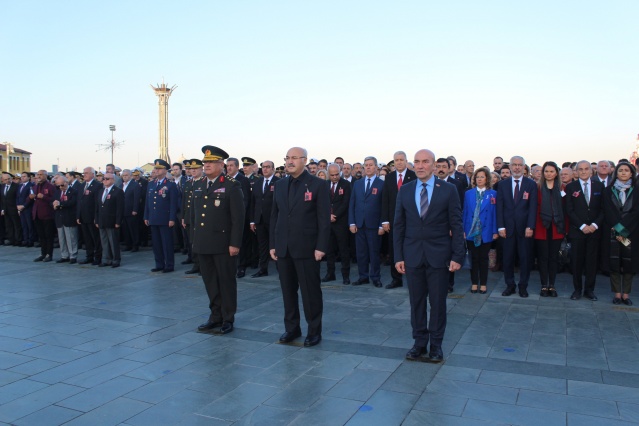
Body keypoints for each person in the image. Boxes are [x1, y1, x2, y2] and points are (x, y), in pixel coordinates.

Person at [394, 149, 464, 362]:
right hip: (412, 256)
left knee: (437, 303)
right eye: (417, 162)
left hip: (439, 256)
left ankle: (436, 345)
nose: (421, 165)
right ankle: (419, 343)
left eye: (425, 162)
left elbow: (456, 224)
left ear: (435, 165)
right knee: (416, 303)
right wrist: (398, 256)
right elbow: (399, 225)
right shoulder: (405, 190)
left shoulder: (449, 190)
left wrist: (458, 255)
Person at [270, 147, 330, 347]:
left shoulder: (318, 185)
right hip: (284, 248)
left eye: (294, 158)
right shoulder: (279, 185)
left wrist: (321, 246)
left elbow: (323, 220)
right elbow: (275, 217)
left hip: (307, 248)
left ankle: (314, 330)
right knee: (288, 292)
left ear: (304, 160)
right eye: (287, 158)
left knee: (310, 292)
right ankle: (291, 328)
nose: (289, 161)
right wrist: (273, 244)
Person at [192, 146, 245, 334]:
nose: (206, 165)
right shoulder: (198, 185)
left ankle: (228, 318)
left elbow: (238, 219)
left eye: (210, 162)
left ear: (221, 164)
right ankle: (215, 316)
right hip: (204, 242)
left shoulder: (232, 185)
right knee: (210, 282)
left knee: (226, 282)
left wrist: (235, 243)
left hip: (223, 244)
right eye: (205, 162)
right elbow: (196, 217)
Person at [497, 156, 538, 298]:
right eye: (514, 165)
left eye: (520, 165)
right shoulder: (503, 185)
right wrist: (500, 226)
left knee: (525, 259)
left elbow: (533, 207)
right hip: (507, 229)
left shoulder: (530, 184)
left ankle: (523, 286)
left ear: (524, 167)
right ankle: (510, 285)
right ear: (509, 167)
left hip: (524, 228)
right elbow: (499, 207)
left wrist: (530, 226)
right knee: (507, 258)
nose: (517, 167)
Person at [565, 160, 605, 301]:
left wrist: (594, 225)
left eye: (586, 168)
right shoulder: (571, 187)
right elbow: (569, 210)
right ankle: (577, 290)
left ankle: (589, 290)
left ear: (591, 171)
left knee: (591, 262)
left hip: (594, 231)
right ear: (576, 171)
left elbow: (603, 209)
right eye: (580, 169)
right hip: (577, 231)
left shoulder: (600, 186)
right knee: (576, 262)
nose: (583, 171)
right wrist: (582, 225)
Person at [603, 162, 638, 305]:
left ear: (631, 173)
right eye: (621, 170)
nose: (623, 173)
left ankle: (626, 294)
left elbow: (636, 212)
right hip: (613, 232)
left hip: (631, 232)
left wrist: (624, 229)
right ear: (615, 173)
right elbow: (607, 210)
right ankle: (617, 294)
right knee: (615, 262)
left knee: (629, 262)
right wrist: (617, 228)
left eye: (626, 170)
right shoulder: (608, 190)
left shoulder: (637, 190)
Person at [381, 151, 417, 289]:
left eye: (402, 159)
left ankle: (412, 278)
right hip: (392, 220)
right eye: (396, 160)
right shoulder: (389, 178)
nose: (399, 162)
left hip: (410, 220)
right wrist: (384, 220)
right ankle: (396, 279)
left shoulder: (413, 176)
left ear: (406, 161)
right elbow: (385, 200)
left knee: (410, 250)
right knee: (394, 249)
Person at [349, 156, 385, 287]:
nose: (368, 167)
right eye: (366, 165)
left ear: (376, 167)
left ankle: (375, 277)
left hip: (374, 225)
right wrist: (352, 222)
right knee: (361, 253)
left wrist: (382, 224)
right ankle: (362, 276)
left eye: (371, 165)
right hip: (359, 224)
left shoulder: (381, 184)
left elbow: (383, 206)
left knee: (374, 253)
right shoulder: (358, 184)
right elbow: (352, 203)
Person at [462, 167, 498, 294]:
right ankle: (474, 283)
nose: (479, 179)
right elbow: (465, 212)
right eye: (477, 177)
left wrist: (495, 231)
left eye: (482, 177)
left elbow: (494, 214)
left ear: (487, 179)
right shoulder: (468, 193)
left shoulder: (493, 194)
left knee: (483, 258)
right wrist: (463, 229)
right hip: (471, 230)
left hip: (486, 230)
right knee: (473, 258)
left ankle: (483, 283)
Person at [534, 162, 566, 297]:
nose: (549, 174)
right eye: (546, 171)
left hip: (557, 228)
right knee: (543, 258)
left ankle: (551, 285)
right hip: (541, 227)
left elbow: (566, 210)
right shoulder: (537, 188)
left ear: (556, 173)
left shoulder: (563, 188)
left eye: (552, 171)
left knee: (553, 258)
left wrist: (565, 229)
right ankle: (543, 285)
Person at [144, 159, 179, 273]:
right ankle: (159, 264)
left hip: (165, 219)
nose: (156, 170)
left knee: (166, 243)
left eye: (159, 168)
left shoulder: (170, 185)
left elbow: (173, 203)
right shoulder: (151, 184)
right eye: (156, 168)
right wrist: (146, 216)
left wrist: (172, 218)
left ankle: (169, 265)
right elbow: (147, 202)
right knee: (156, 244)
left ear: (165, 170)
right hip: (153, 218)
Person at [249, 160, 279, 277]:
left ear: (273, 169)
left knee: (275, 245)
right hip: (260, 220)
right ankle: (263, 269)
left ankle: (280, 269)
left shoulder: (278, 182)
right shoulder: (257, 182)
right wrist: (252, 220)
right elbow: (253, 203)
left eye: (268, 167)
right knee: (262, 245)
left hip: (273, 220)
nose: (265, 169)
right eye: (263, 167)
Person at [324, 163, 352, 284]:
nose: (335, 177)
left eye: (337, 174)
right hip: (327, 222)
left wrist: (335, 215)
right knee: (329, 250)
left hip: (340, 222)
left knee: (343, 250)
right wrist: (327, 216)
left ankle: (346, 275)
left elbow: (346, 203)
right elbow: (322, 202)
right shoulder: (324, 185)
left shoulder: (346, 185)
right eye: (332, 175)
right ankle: (330, 274)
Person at [227, 157, 252, 278]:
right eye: (228, 165)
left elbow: (245, 200)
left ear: (237, 167)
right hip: (227, 218)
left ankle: (242, 267)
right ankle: (232, 266)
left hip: (240, 217)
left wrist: (240, 215)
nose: (229, 168)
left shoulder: (242, 180)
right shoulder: (225, 179)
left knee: (241, 243)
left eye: (232, 165)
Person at [95, 173, 124, 267]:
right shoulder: (101, 191)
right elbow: (98, 207)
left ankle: (116, 259)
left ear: (113, 180)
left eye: (107, 179)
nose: (105, 180)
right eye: (104, 179)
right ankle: (106, 259)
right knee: (104, 241)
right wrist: (96, 220)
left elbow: (120, 208)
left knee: (113, 241)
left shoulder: (118, 191)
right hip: (102, 220)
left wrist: (118, 221)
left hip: (112, 221)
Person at [77, 167, 102, 265]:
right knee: (87, 238)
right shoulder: (82, 185)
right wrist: (78, 215)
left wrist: (97, 217)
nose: (84, 175)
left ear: (93, 174)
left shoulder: (97, 185)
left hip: (92, 216)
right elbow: (79, 201)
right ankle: (89, 256)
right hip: (83, 216)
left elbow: (97, 203)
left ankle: (98, 257)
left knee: (95, 238)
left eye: (87, 173)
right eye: (84, 173)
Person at [31, 170, 56, 262]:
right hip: (37, 214)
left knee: (48, 236)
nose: (39, 176)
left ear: (46, 176)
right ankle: (43, 253)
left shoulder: (50, 187)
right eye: (38, 175)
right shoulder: (35, 186)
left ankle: (49, 254)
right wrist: (30, 197)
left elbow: (54, 199)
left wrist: (44, 197)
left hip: (47, 215)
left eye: (41, 175)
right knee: (41, 236)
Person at [52, 175, 79, 263]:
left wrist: (60, 204)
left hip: (69, 218)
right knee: (62, 239)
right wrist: (54, 204)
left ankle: (73, 255)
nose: (60, 187)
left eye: (62, 185)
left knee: (71, 238)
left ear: (66, 183)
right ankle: (64, 255)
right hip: (59, 218)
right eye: (58, 186)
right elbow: (52, 202)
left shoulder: (73, 191)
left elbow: (72, 202)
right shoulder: (57, 192)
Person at [120, 169, 141, 252]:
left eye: (126, 175)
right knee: (126, 229)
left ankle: (135, 245)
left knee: (133, 229)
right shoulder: (121, 185)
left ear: (130, 176)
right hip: (123, 210)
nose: (125, 177)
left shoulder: (135, 185)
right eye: (123, 175)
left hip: (131, 210)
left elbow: (137, 198)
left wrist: (135, 209)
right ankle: (128, 244)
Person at [1, 172, 22, 245]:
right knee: (8, 225)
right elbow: (2, 199)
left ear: (11, 178)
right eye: (5, 179)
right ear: (3, 180)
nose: (7, 180)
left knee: (16, 225)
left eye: (9, 179)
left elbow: (18, 198)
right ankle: (11, 239)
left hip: (14, 209)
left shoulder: (16, 186)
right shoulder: (2, 187)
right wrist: (2, 209)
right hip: (6, 210)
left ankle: (18, 240)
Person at [16, 172, 34, 247]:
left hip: (27, 208)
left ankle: (31, 240)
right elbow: (17, 197)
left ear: (29, 177)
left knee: (29, 225)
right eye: (22, 176)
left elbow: (30, 198)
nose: (22, 178)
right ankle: (25, 240)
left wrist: (24, 205)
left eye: (24, 176)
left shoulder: (31, 185)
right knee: (24, 225)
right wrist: (17, 206)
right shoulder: (20, 186)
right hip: (20, 208)